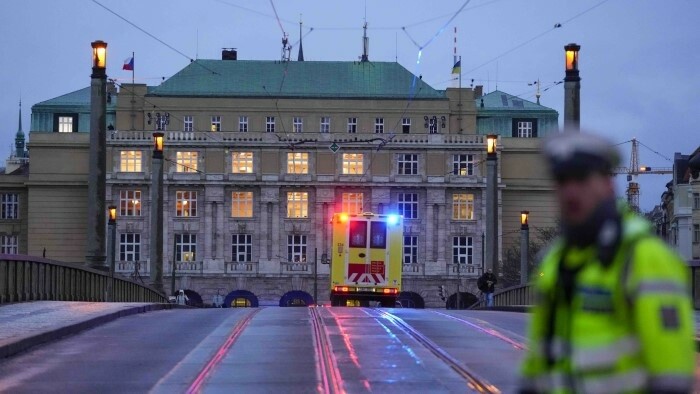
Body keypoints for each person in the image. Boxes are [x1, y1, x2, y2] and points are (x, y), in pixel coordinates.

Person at [519, 132, 695, 393]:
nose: (570, 191)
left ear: (607, 184)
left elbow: (671, 375)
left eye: (581, 179)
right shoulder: (554, 260)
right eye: (562, 180)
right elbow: (539, 363)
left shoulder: (645, 257)